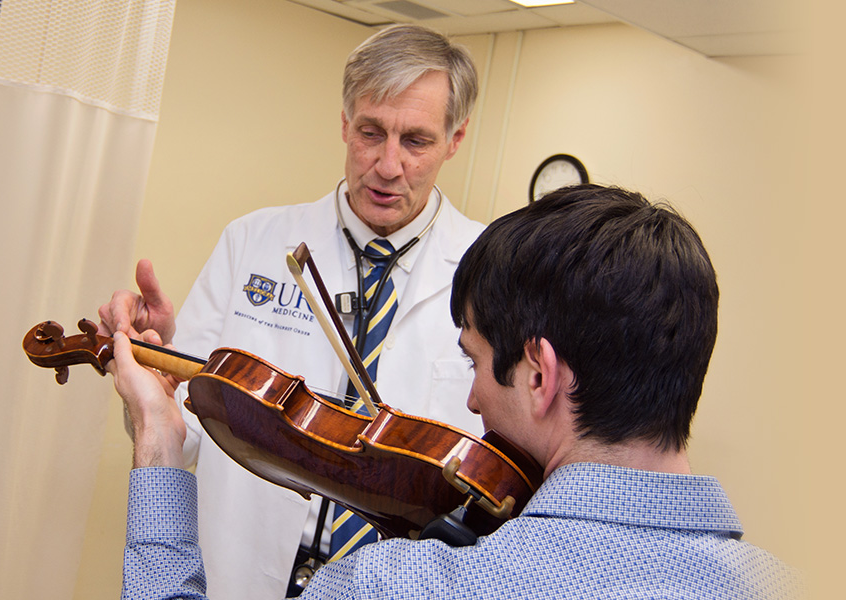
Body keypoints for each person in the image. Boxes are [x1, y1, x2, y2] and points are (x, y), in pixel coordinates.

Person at [107, 185, 799, 599]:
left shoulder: (399, 586)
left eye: (473, 362)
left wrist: (159, 447)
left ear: (540, 374)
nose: (471, 402)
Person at [97, 25, 485, 599]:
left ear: (455, 140)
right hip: (242, 571)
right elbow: (174, 427)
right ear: (345, 122)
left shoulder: (492, 275)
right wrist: (158, 373)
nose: (386, 164)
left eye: (417, 141)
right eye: (371, 132)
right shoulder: (253, 242)